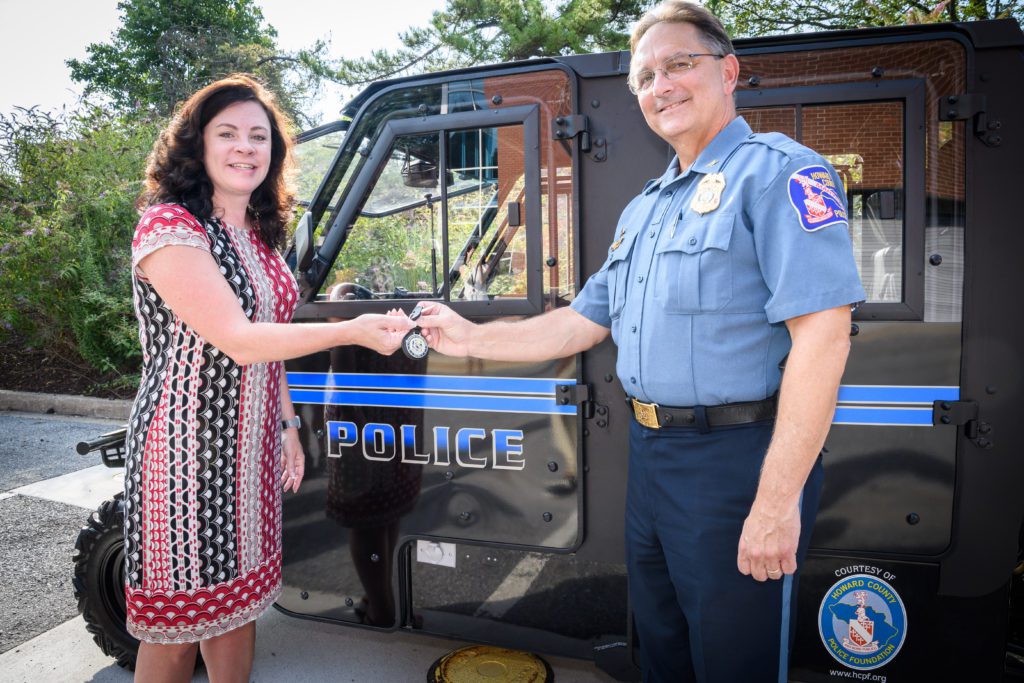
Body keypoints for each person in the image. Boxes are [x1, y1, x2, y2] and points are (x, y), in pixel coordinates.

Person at [416, 3, 866, 681]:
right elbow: (579, 323)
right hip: (652, 457)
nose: (662, 85)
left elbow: (824, 339)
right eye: (646, 76)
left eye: (680, 64)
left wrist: (775, 503)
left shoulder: (777, 174)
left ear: (729, 71)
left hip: (738, 464)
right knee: (660, 647)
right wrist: (469, 334)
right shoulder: (646, 208)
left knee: (733, 658)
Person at [125, 74, 414, 683]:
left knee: (237, 607)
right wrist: (352, 329)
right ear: (197, 145)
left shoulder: (259, 237)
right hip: (185, 455)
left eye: (259, 137)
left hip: (250, 448)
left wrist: (284, 424)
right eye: (227, 133)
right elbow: (239, 337)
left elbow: (270, 347)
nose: (245, 147)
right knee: (178, 627)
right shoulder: (171, 227)